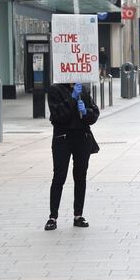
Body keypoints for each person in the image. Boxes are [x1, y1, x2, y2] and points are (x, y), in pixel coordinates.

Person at [45, 82, 100, 231]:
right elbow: (57, 116)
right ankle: (53, 216)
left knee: (80, 176)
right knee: (59, 176)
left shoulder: (84, 89)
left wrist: (86, 112)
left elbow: (94, 114)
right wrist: (73, 99)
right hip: (62, 138)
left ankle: (78, 215)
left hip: (82, 137)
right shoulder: (55, 90)